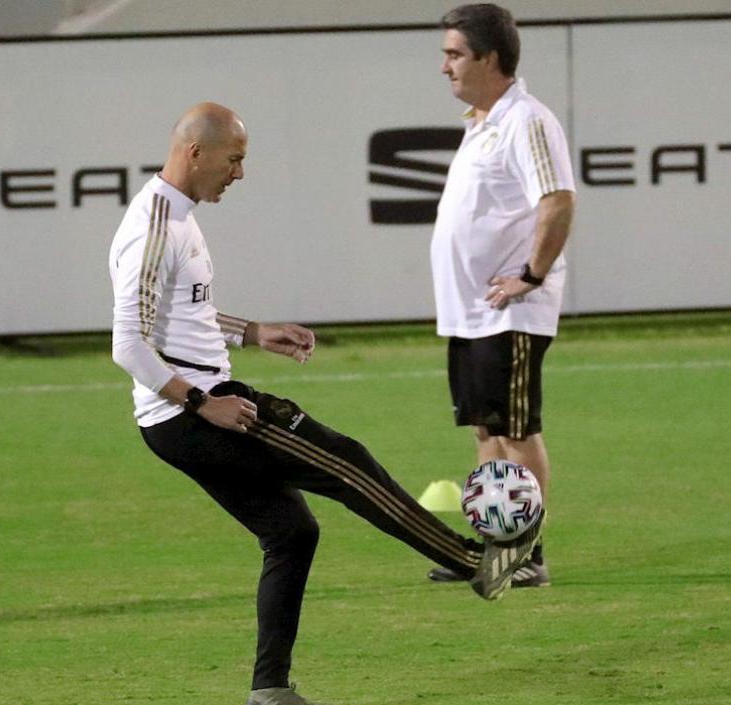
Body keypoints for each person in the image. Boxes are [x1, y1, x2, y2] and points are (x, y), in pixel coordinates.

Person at [109, 102, 541, 705]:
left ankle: (270, 689)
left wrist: (255, 332)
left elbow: (183, 317)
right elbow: (127, 342)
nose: (239, 174)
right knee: (346, 462)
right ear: (195, 153)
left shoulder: (177, 216)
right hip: (198, 412)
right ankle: (476, 563)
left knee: (291, 532)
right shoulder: (156, 224)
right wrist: (203, 402)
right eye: (234, 160)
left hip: (177, 417)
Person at [425, 4, 577, 590]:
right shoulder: (483, 121)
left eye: (455, 54)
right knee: (488, 433)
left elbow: (558, 201)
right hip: (471, 315)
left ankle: (527, 553)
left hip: (509, 312)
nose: (445, 66)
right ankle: (496, 543)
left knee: (515, 431)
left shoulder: (526, 120)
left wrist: (530, 278)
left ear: (490, 58)